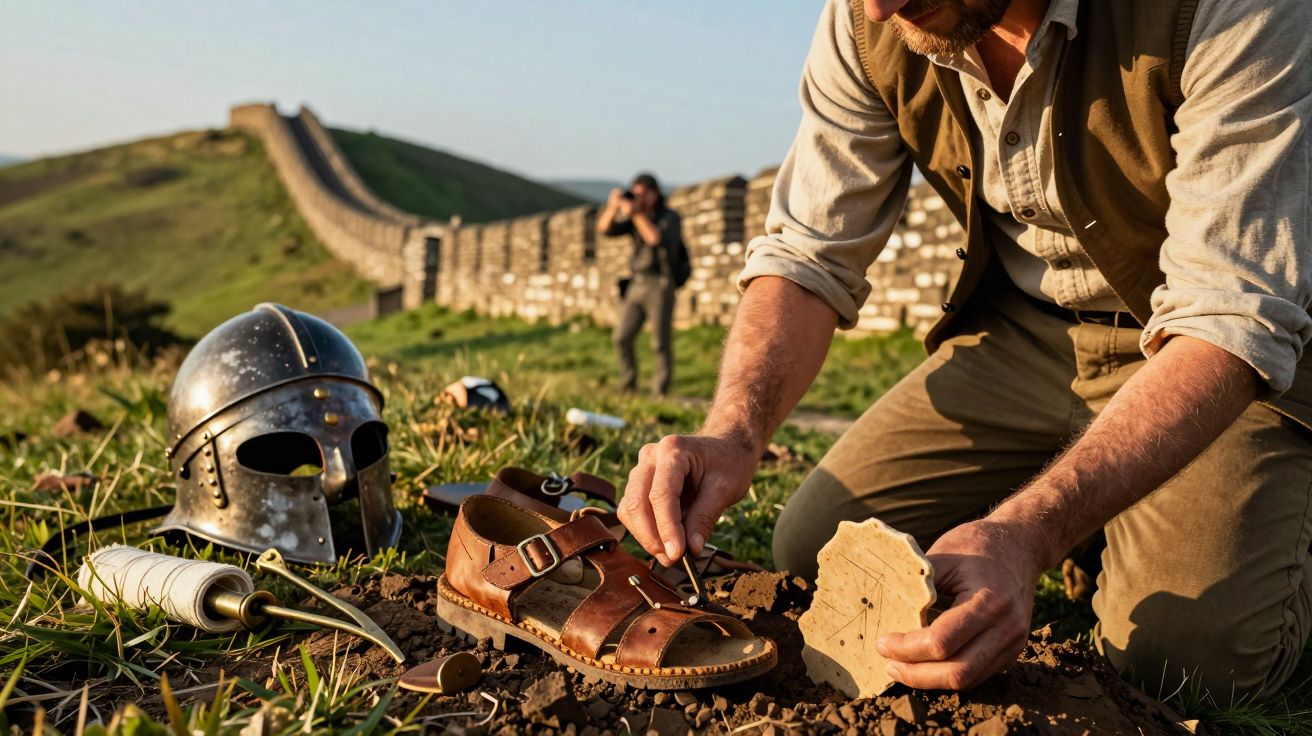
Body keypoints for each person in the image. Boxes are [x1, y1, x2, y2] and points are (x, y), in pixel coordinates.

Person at [618, 0, 1312, 700]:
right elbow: (807, 252)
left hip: (1215, 357)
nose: (880, 8)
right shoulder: (869, 19)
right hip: (1030, 333)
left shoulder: (1230, 9)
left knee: (1184, 666)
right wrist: (734, 432)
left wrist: (1029, 532)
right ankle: (1110, 516)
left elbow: (1231, 313)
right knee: (819, 551)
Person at [597, 173, 689, 396]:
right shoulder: (634, 218)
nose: (637, 199)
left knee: (659, 342)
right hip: (636, 282)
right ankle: (628, 385)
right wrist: (613, 207)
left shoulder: (670, 217)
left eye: (642, 194)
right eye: (634, 194)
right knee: (621, 337)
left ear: (654, 194)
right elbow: (604, 229)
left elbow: (655, 239)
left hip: (660, 283)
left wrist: (636, 213)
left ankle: (659, 391)